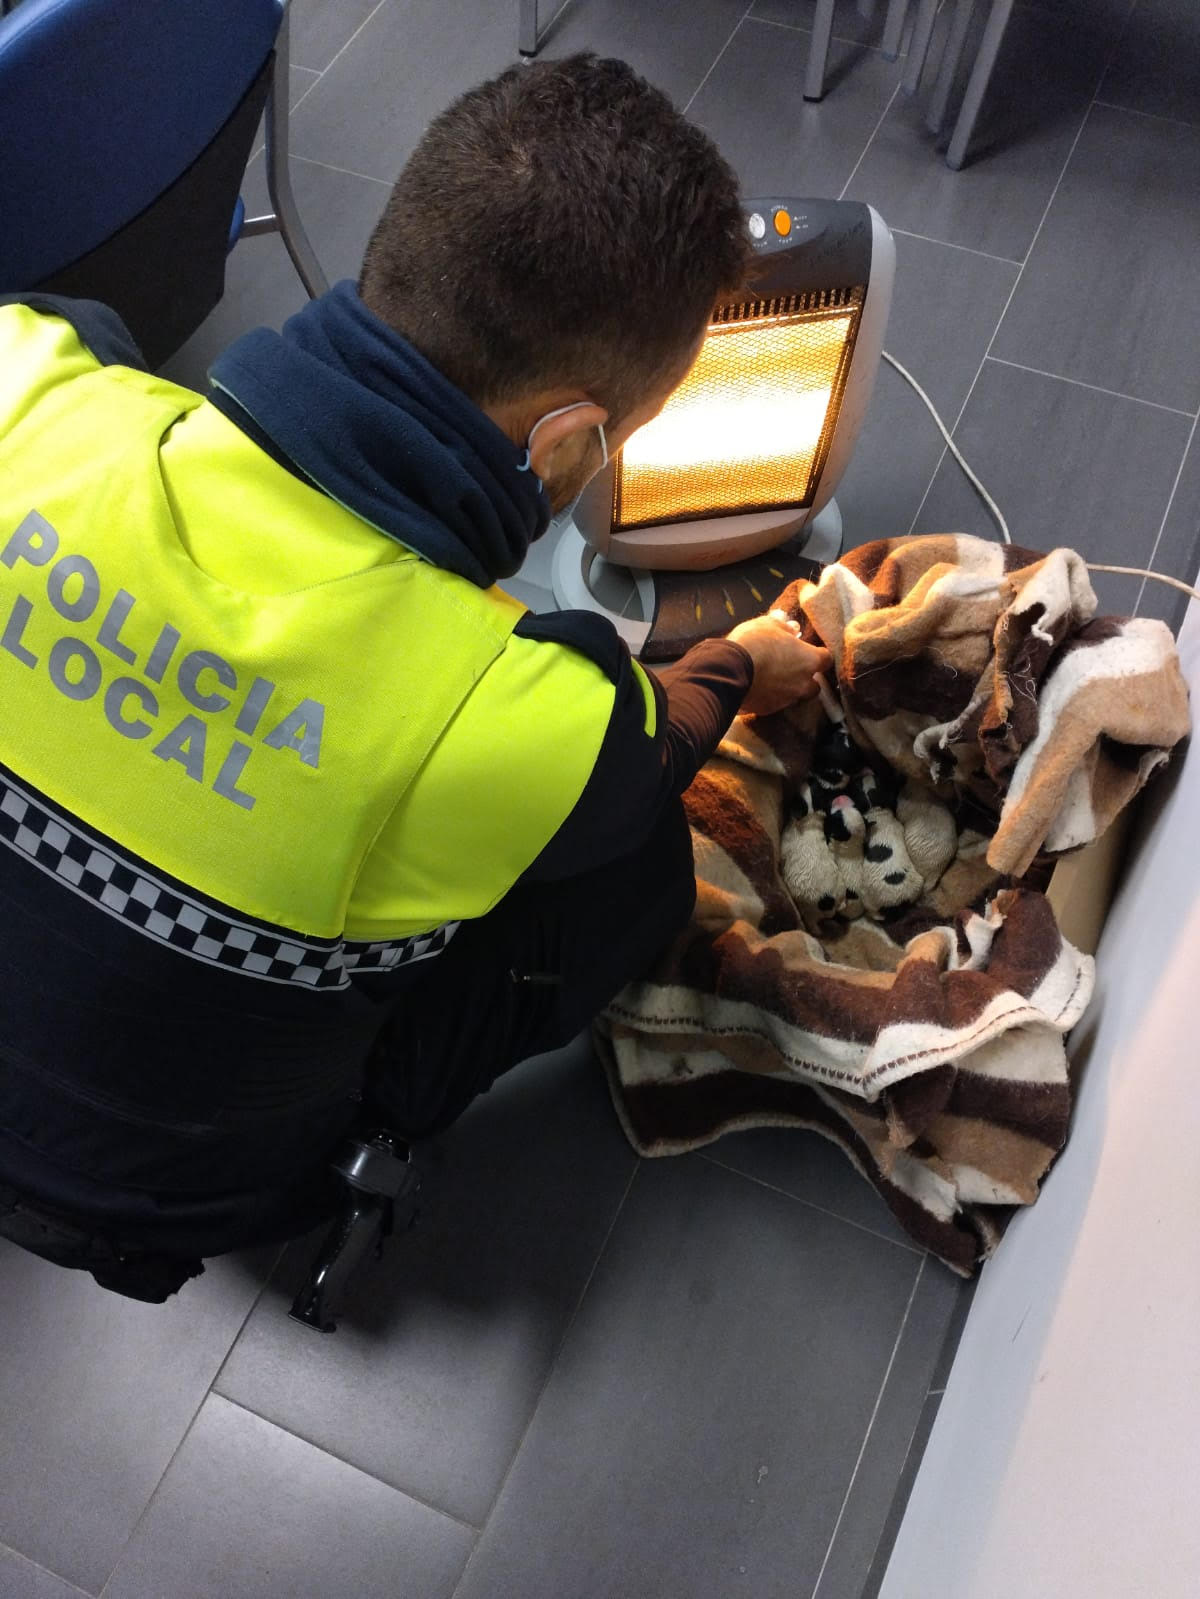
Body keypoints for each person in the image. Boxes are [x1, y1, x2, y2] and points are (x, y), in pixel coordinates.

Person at [0, 54, 829, 1294]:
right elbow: (651, 756)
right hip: (188, 1189)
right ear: (567, 442)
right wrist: (733, 661)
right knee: (636, 873)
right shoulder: (528, 710)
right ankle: (364, 1145)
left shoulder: (25, 385)